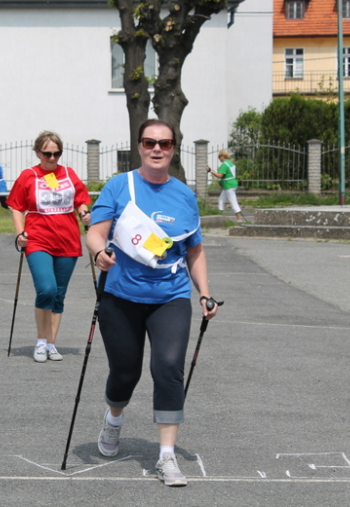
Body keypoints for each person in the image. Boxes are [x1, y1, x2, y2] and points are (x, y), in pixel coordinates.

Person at [86, 119, 218, 487]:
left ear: (174, 148)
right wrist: (100, 253)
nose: (156, 149)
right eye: (149, 142)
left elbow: (194, 250)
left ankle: (166, 456)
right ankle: (114, 418)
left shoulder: (184, 195)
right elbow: (95, 232)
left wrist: (204, 292)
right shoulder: (120, 185)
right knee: (126, 373)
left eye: (165, 143)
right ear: (139, 146)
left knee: (169, 366)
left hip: (171, 297)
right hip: (121, 295)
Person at [6, 130, 91, 363]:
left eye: (57, 153)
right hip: (38, 239)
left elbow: (81, 199)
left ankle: (51, 343)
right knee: (47, 289)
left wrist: (84, 213)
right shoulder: (29, 175)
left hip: (68, 241)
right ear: (37, 153)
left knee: (59, 295)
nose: (52, 158)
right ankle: (40, 341)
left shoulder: (69, 174)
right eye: (47, 154)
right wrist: (20, 232)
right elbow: (15, 206)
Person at [207, 149, 244, 223]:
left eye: (219, 156)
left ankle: (239, 219)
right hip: (232, 183)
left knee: (233, 201)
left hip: (228, 185)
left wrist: (210, 171)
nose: (219, 158)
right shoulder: (230, 163)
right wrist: (222, 182)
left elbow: (220, 175)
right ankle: (220, 216)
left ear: (222, 156)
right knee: (221, 199)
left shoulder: (224, 164)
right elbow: (228, 175)